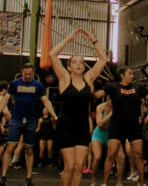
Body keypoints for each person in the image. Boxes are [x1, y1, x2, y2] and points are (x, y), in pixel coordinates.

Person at [48, 28, 108, 186]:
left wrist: (94, 40)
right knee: (70, 166)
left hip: (82, 127)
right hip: (65, 126)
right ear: (69, 67)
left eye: (81, 62)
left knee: (79, 166)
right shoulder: (64, 78)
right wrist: (69, 38)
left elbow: (103, 59)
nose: (79, 65)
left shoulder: (89, 78)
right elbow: (52, 55)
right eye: (74, 62)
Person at [95, 67, 148, 186]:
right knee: (111, 154)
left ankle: (141, 183)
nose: (132, 76)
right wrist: (89, 86)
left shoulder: (137, 88)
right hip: (117, 124)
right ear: (122, 75)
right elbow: (96, 95)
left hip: (133, 124)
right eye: (130, 74)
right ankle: (105, 183)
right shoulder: (113, 87)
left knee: (138, 154)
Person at [0, 63, 58, 186]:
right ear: (22, 72)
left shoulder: (38, 85)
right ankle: (3, 177)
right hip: (16, 119)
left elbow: (46, 101)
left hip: (30, 120)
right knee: (10, 147)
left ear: (33, 73)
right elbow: (5, 99)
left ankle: (28, 179)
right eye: (25, 74)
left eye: (30, 74)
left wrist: (54, 116)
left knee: (29, 149)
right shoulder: (14, 84)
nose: (28, 76)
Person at [91, 100, 120, 186]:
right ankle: (93, 181)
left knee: (120, 157)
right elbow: (99, 124)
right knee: (97, 157)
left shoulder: (119, 107)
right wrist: (111, 114)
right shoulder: (101, 107)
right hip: (98, 134)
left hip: (111, 135)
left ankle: (117, 182)